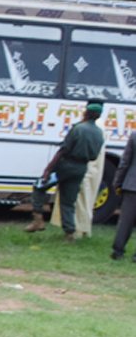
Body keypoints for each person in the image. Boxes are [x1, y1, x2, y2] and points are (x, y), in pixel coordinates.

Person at [28, 103, 106, 240]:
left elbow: (64, 149)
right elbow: (94, 155)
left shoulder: (78, 128)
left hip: (66, 166)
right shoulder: (99, 133)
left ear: (86, 113)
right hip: (81, 169)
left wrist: (49, 169)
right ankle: (69, 233)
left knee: (39, 187)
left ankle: (38, 220)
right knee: (68, 201)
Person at [110, 132, 136, 262]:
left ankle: (117, 251)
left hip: (132, 185)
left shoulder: (134, 135)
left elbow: (125, 162)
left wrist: (118, 181)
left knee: (125, 220)